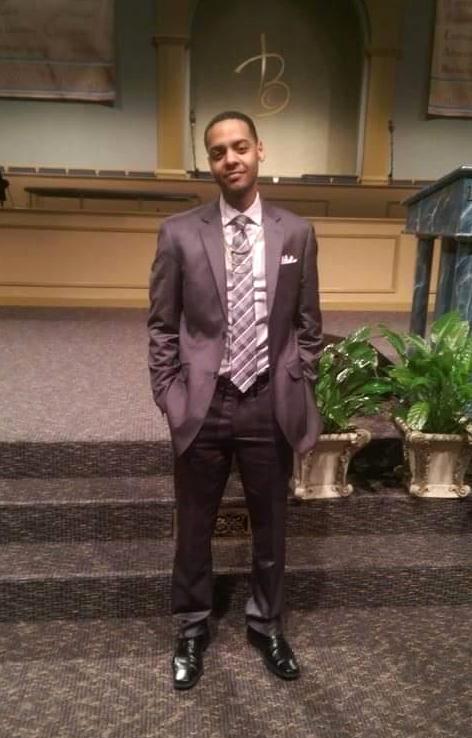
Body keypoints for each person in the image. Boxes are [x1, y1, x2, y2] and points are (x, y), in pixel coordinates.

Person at [148, 111, 323, 690]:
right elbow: (162, 325)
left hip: (269, 402)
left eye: (240, 147)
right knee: (193, 526)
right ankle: (191, 626)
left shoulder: (295, 233)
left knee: (270, 526)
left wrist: (300, 376)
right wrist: (170, 395)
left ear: (259, 150)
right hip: (204, 403)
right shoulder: (179, 232)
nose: (231, 159)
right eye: (219, 151)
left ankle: (267, 624)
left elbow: (308, 323)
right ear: (210, 162)